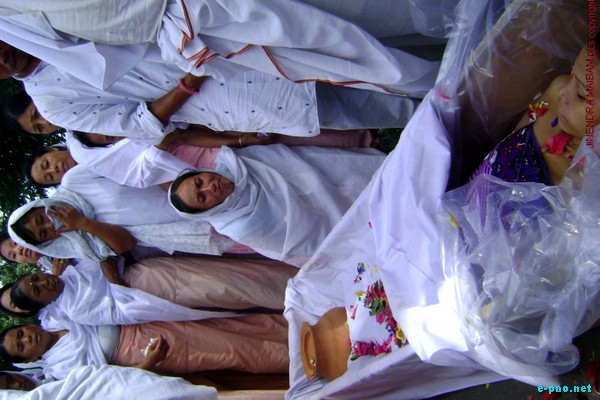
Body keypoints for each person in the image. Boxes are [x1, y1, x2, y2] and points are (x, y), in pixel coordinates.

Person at [0, 16, 420, 142]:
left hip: (230, 35)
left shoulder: (48, 24)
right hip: (239, 94)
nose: (3, 56)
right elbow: (140, 123)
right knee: (390, 104)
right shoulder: (53, 103)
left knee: (366, 42)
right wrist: (190, 80)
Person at [169, 144, 385, 266]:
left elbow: (296, 161)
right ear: (207, 211)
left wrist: (315, 187)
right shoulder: (239, 226)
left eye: (200, 182)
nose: (209, 187)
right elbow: (299, 240)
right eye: (202, 198)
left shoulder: (237, 162)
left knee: (369, 176)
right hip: (330, 220)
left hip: (329, 176)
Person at [471, 36, 600, 185]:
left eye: (581, 95)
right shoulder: (555, 93)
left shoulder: (591, 183)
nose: (562, 92)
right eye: (572, 75)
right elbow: (509, 139)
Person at [0, 314, 289, 380]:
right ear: (29, 359)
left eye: (21, 334)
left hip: (144, 321)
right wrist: (147, 364)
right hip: (144, 350)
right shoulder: (61, 370)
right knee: (232, 351)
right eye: (21, 346)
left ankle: (298, 326)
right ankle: (298, 356)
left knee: (231, 325)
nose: (27, 339)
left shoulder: (55, 316)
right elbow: (109, 383)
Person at [0, 365, 218, 400]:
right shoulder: (55, 369)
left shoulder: (60, 379)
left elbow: (108, 380)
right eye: (9, 389)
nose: (17, 385)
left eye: (10, 379)